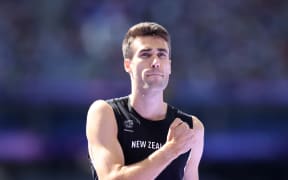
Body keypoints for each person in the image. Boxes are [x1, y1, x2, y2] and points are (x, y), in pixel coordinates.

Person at [86, 22, 204, 180]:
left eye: (161, 54)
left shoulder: (191, 127)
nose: (155, 62)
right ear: (128, 65)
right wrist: (170, 150)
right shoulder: (105, 113)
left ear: (169, 66)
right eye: (146, 54)